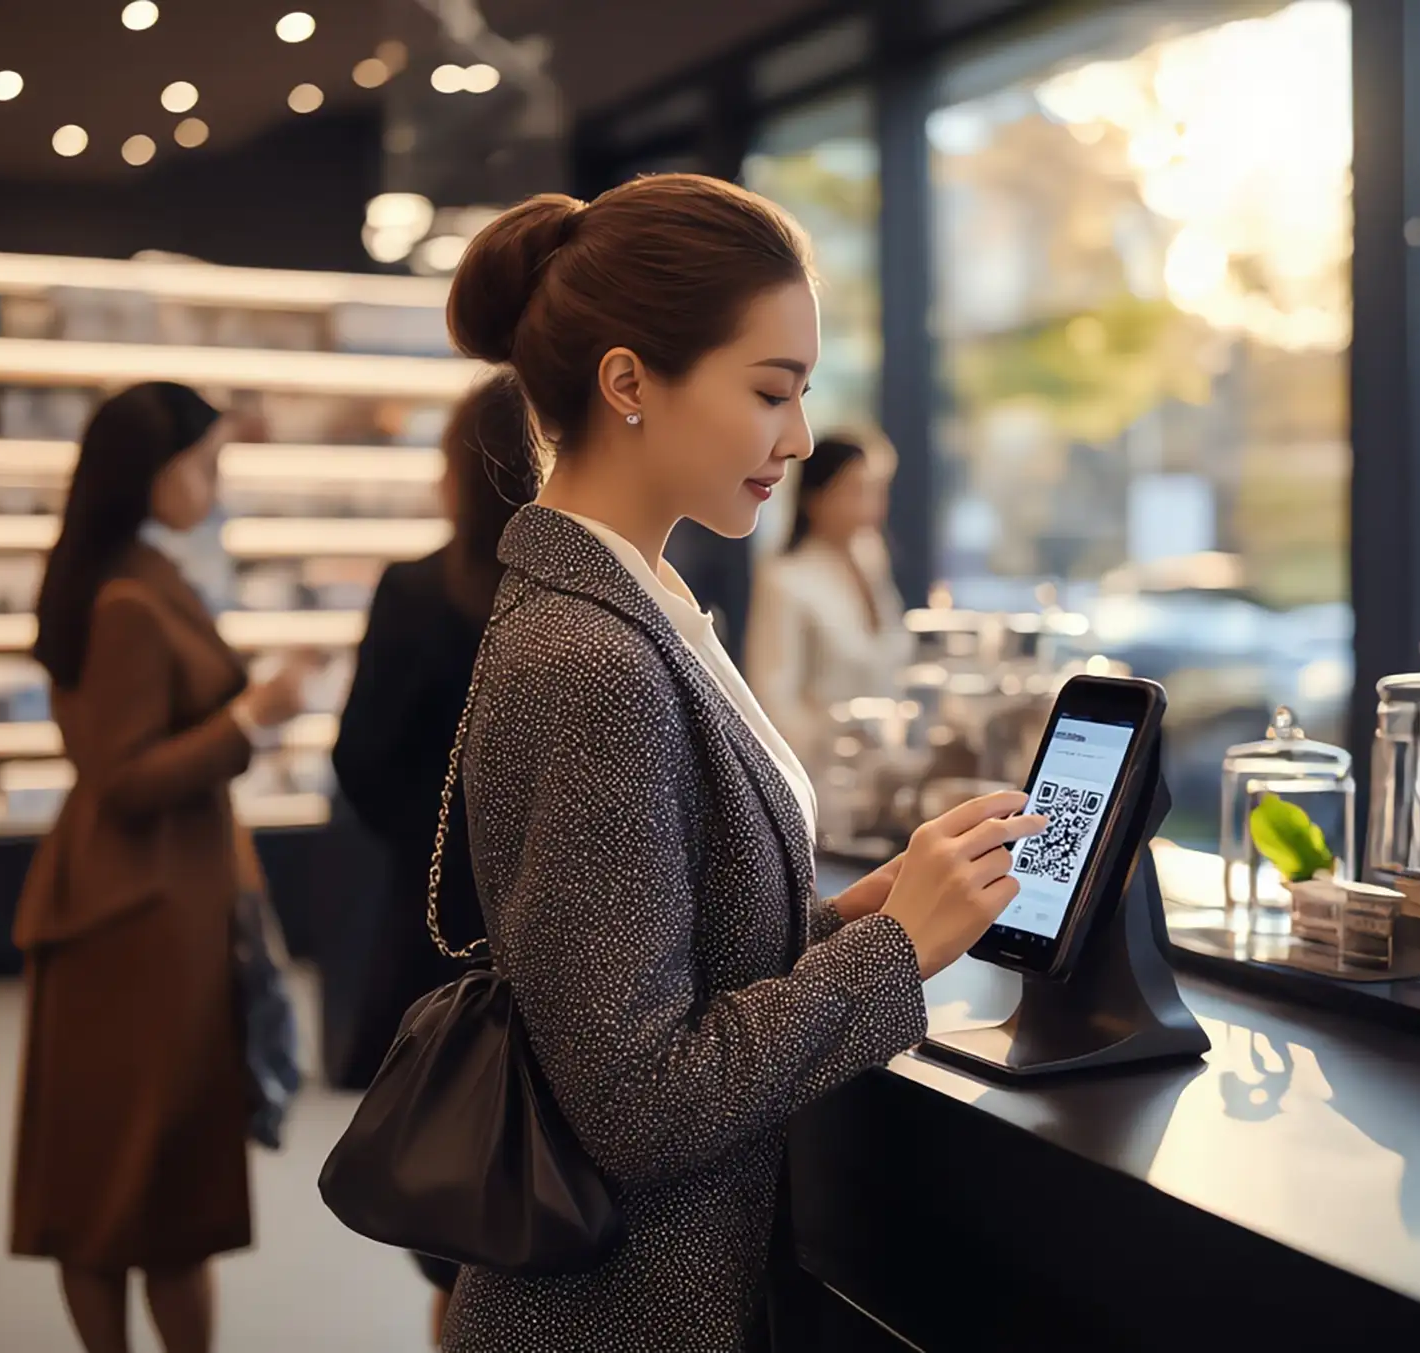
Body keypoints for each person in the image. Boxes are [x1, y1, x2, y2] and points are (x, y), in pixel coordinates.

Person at [437, 174, 1049, 1352]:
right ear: (627, 383)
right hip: (621, 1317)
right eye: (772, 390)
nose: (802, 438)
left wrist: (840, 921)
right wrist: (893, 953)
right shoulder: (595, 656)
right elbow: (639, 1100)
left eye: (804, 392)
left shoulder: (636, 600)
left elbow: (657, 963)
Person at [10, 382, 301, 1353]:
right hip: (140, 918)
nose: (215, 486)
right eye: (205, 464)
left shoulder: (125, 575)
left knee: (102, 1176)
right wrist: (248, 720)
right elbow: (123, 777)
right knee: (154, 1181)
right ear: (153, 471)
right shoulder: (131, 596)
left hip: (127, 906)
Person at [328, 376, 533, 1341]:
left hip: (441, 930)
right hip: (556, 931)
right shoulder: (583, 601)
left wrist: (439, 847)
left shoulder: (418, 591)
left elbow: (361, 760)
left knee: (455, 1182)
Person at [745, 429, 911, 772]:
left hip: (887, 767)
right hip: (825, 774)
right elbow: (774, 699)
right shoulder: (786, 579)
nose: (872, 507)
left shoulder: (870, 558)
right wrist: (831, 748)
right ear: (815, 497)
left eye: (878, 491)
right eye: (856, 490)